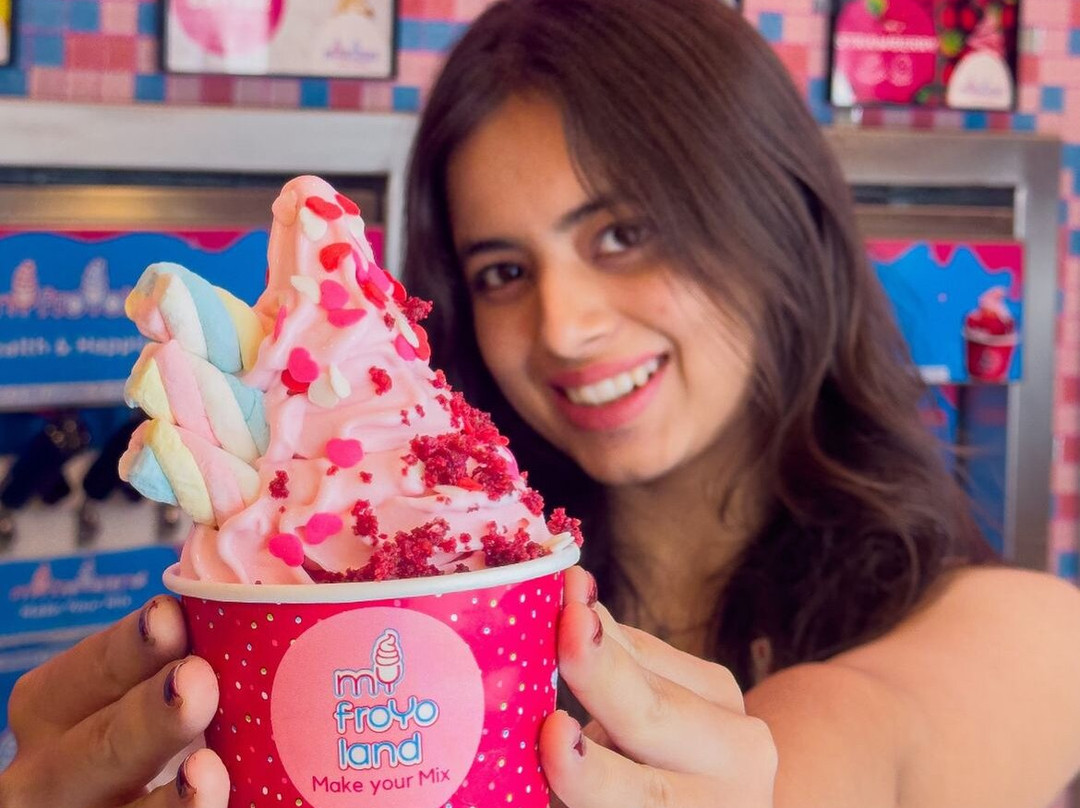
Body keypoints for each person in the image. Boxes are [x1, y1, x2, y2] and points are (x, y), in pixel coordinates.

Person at [2, 0, 1080, 806]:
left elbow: (859, 748)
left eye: (624, 233)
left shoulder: (1028, 632)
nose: (563, 327)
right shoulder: (380, 590)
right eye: (504, 271)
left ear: (778, 222)